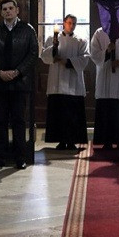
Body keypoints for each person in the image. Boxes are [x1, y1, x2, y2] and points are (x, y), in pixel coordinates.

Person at [0, 0, 38, 170]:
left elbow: (33, 53)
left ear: (17, 10)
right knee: (0, 121)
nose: (8, 11)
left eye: (10, 8)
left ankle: (20, 157)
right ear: (1, 12)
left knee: (19, 121)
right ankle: (0, 157)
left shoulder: (27, 30)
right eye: (4, 9)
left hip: (19, 83)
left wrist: (18, 71)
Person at [39, 14, 89, 150]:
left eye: (74, 23)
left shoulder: (81, 40)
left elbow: (85, 58)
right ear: (64, 23)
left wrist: (67, 61)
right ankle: (61, 140)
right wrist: (54, 49)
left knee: (73, 113)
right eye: (69, 23)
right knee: (59, 113)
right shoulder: (52, 39)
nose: (71, 26)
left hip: (73, 83)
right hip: (57, 82)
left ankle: (72, 140)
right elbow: (44, 56)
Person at [90, 21, 119, 150]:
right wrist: (107, 51)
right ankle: (107, 141)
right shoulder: (99, 33)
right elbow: (94, 53)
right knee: (106, 110)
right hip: (105, 77)